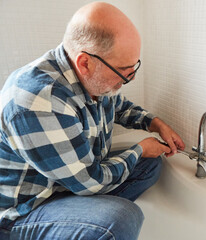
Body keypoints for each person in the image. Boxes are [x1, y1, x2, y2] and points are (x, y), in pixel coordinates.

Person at [0, 2, 185, 239]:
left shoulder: (93, 79)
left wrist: (156, 123)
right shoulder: (39, 101)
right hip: (26, 211)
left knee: (151, 165)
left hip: (67, 183)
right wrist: (139, 149)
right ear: (85, 63)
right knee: (119, 219)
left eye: (134, 68)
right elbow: (90, 181)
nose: (130, 78)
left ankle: (84, 222)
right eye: (124, 71)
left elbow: (119, 107)